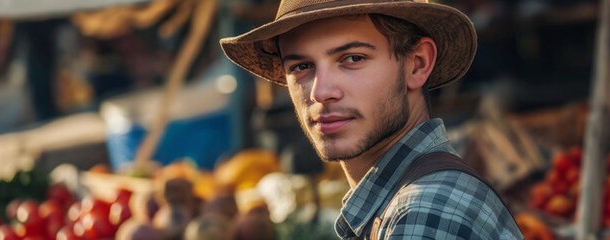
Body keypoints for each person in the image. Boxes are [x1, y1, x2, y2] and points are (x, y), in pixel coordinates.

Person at [219, 0, 524, 239]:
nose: (320, 92)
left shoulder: (424, 209)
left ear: (417, 65)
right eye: (301, 66)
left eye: (353, 58)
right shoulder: (402, 200)